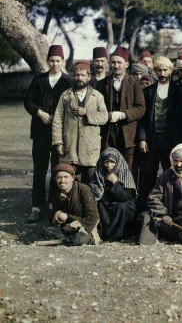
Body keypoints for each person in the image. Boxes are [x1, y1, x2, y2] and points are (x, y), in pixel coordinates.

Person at [24, 45, 72, 223]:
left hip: (59, 134)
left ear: (63, 62)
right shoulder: (39, 80)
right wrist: (39, 112)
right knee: (39, 170)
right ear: (47, 61)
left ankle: (54, 205)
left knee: (57, 168)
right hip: (40, 133)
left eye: (58, 61)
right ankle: (37, 206)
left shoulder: (68, 82)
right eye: (51, 60)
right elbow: (28, 101)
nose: (54, 64)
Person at [138, 144, 182, 245]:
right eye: (176, 161)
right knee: (148, 217)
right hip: (171, 218)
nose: (179, 164)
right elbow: (154, 198)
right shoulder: (165, 176)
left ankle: (177, 235)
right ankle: (179, 235)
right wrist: (164, 214)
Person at [52, 60, 108, 184]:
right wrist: (58, 142)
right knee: (70, 181)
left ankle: (89, 203)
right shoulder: (66, 96)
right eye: (77, 75)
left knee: (90, 181)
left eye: (83, 75)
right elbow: (57, 119)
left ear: (89, 77)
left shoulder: (97, 96)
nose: (79, 78)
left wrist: (86, 113)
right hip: (69, 145)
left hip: (90, 147)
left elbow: (104, 117)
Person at [97, 46, 146, 170]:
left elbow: (141, 108)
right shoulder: (103, 83)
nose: (116, 66)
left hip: (128, 135)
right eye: (113, 62)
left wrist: (122, 115)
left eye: (119, 62)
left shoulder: (134, 83)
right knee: (108, 168)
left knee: (127, 170)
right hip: (108, 134)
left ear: (127, 64)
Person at [137, 56, 176, 208]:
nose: (162, 73)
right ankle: (147, 206)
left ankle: (168, 205)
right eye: (159, 70)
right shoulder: (148, 92)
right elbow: (143, 117)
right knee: (149, 174)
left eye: (165, 70)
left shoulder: (177, 90)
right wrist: (142, 138)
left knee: (169, 172)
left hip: (169, 139)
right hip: (151, 139)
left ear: (170, 71)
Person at [44, 163, 101, 245]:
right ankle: (68, 240)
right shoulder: (55, 192)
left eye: (66, 177)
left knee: (80, 238)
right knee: (47, 231)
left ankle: (64, 241)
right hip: (65, 227)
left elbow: (93, 216)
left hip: (83, 226)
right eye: (59, 177)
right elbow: (50, 211)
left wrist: (71, 221)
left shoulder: (83, 190)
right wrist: (57, 214)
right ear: (55, 179)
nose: (62, 181)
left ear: (73, 178)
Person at [90, 148, 136, 241]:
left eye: (112, 162)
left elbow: (125, 197)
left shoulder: (124, 173)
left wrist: (115, 182)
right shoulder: (99, 173)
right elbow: (96, 195)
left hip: (124, 203)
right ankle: (103, 235)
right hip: (106, 203)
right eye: (106, 162)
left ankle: (117, 235)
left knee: (121, 207)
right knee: (98, 206)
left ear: (117, 162)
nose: (109, 165)